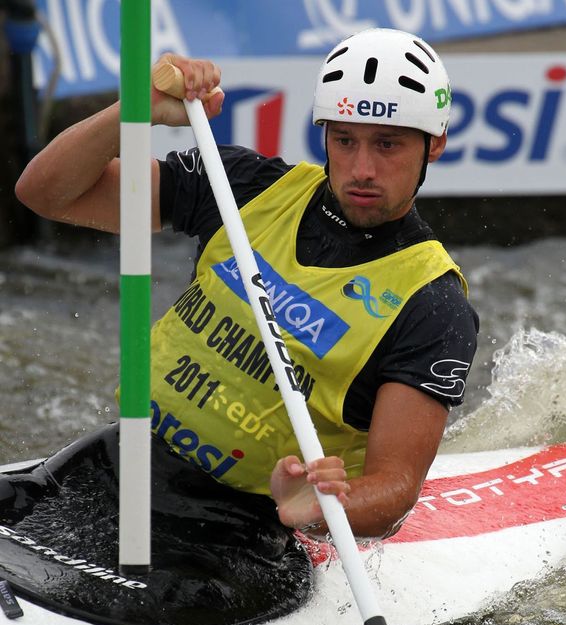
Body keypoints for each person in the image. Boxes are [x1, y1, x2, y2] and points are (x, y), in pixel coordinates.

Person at [15, 27, 478, 541]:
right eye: (345, 141)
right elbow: (46, 193)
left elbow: (394, 490)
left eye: (387, 145)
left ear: (433, 144)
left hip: (237, 528)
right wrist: (133, 111)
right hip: (115, 460)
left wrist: (319, 505)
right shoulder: (242, 186)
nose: (362, 169)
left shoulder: (432, 304)